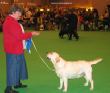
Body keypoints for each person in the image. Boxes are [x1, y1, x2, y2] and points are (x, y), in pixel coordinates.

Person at [3, 5, 40, 93]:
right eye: (19, 12)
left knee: (19, 66)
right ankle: (8, 89)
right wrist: (31, 34)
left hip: (16, 48)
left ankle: (17, 83)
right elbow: (19, 36)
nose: (20, 14)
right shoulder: (11, 22)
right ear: (13, 12)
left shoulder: (12, 21)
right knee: (13, 68)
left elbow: (18, 34)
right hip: (13, 49)